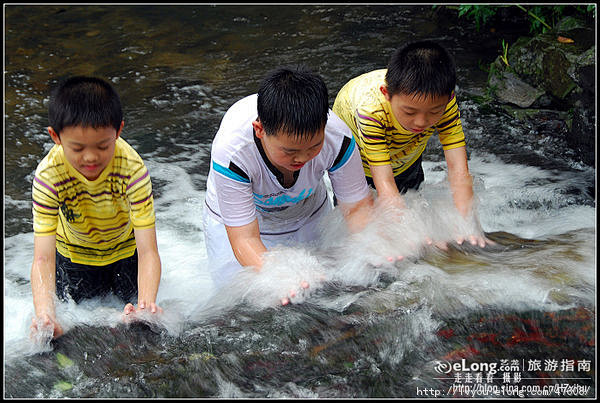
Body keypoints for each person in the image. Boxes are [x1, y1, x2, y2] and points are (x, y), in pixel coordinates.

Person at [203, 66, 373, 300]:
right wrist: (280, 275)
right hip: (242, 224)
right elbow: (245, 238)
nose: (302, 158)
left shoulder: (338, 137)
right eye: (289, 151)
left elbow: (357, 209)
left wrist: (374, 252)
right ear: (260, 130)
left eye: (314, 146)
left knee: (321, 292)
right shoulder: (233, 153)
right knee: (244, 301)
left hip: (308, 210)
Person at [30, 76, 162, 339]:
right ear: (55, 136)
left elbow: (148, 250)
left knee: (138, 328)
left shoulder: (132, 169)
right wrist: (45, 315)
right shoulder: (48, 176)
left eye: (103, 146)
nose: (90, 157)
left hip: (126, 256)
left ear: (119, 131)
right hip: (75, 259)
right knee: (74, 332)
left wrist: (146, 306)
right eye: (77, 148)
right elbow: (43, 257)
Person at [332, 40, 493, 248]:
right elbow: (385, 186)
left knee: (413, 203)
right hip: (356, 165)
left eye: (434, 112)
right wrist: (412, 233)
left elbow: (459, 172)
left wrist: (468, 225)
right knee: (360, 233)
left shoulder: (443, 102)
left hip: (407, 155)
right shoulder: (370, 110)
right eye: (409, 112)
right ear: (386, 94)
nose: (421, 122)